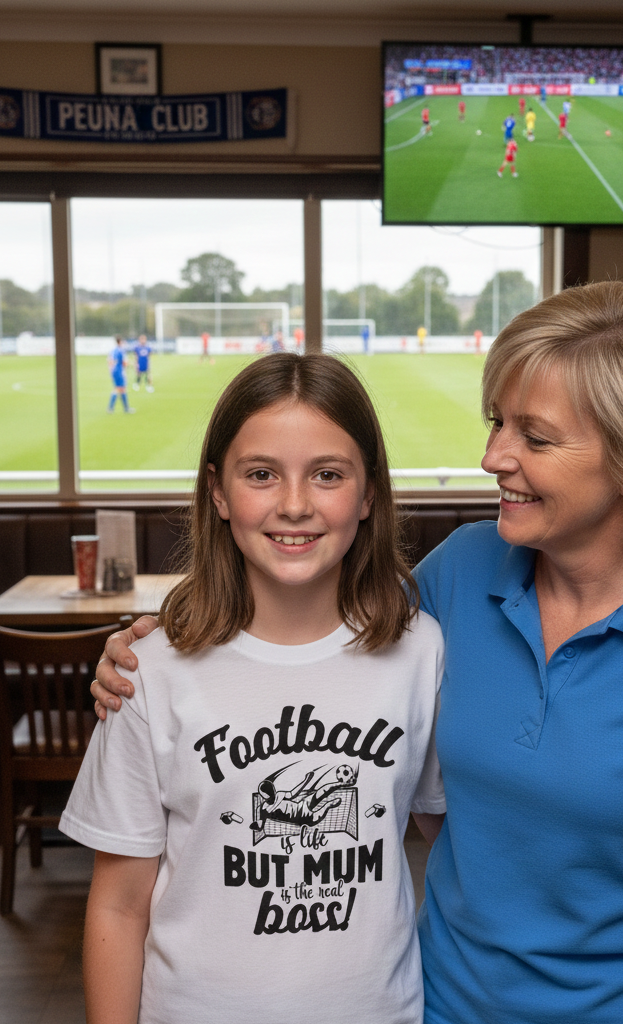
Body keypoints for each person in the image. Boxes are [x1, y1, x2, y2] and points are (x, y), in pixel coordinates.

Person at [93, 282, 623, 1024]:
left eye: (534, 437)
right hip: (441, 1007)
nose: (492, 455)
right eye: (498, 422)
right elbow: (301, 627)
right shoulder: (462, 571)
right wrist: (147, 643)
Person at [64, 353, 445, 1024]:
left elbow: (455, 848)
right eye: (261, 474)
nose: (294, 504)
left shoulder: (422, 651)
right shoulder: (147, 671)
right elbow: (119, 906)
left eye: (327, 474)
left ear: (368, 495)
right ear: (217, 492)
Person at [106, 335, 133, 414]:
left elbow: (109, 361)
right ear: (120, 342)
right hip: (119, 371)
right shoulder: (121, 351)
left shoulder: (113, 351)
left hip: (114, 371)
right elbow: (124, 362)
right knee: (119, 389)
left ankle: (125, 408)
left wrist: (111, 371)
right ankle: (112, 408)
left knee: (121, 389)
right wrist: (131, 364)